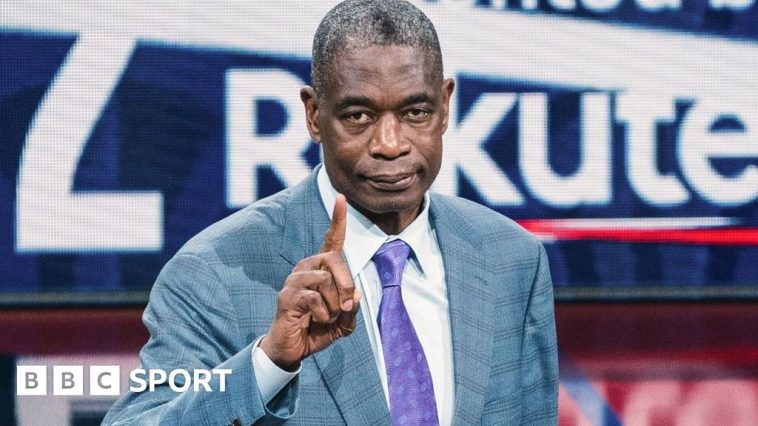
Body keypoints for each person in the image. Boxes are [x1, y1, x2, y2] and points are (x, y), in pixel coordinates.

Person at [103, 0, 557, 424]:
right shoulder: (213, 274)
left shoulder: (511, 259)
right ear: (315, 115)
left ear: (444, 106)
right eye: (358, 116)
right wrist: (269, 364)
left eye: (415, 111)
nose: (390, 144)